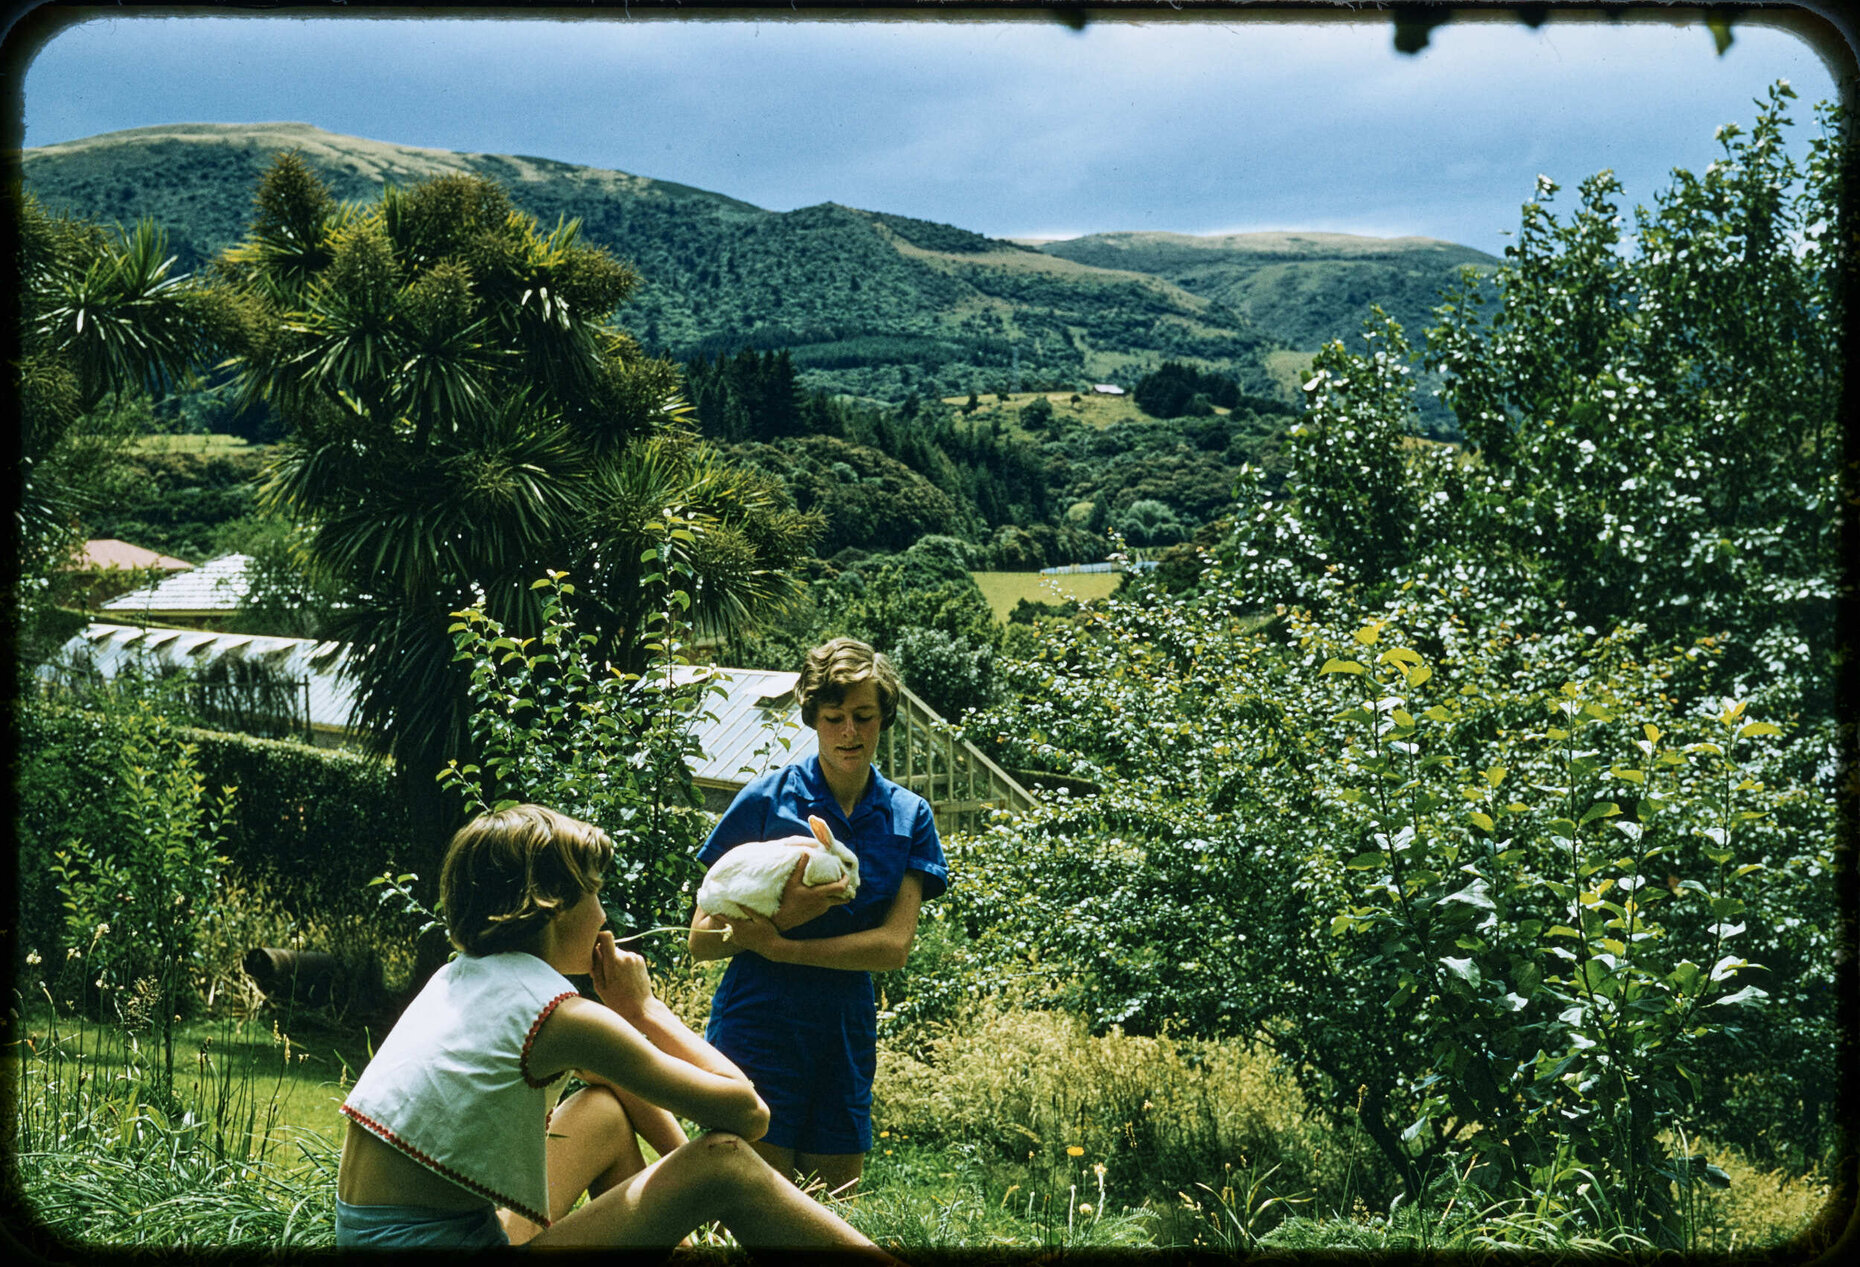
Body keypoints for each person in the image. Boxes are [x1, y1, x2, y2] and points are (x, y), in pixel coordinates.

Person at [335, 803, 898, 1256]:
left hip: (404, 1236)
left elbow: (618, 1083)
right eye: (594, 892)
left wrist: (686, 1197)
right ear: (552, 906)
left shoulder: (463, 978)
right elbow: (749, 1114)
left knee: (603, 1110)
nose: (604, 914)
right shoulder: (563, 1018)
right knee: (724, 1160)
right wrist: (644, 1009)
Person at [688, 638, 948, 1196]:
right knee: (750, 1204)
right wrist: (785, 916)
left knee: (833, 1209)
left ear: (884, 718)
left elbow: (893, 947)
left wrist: (781, 946)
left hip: (843, 1030)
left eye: (864, 716)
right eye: (834, 718)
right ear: (812, 718)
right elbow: (701, 939)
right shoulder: (768, 799)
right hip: (759, 1020)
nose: (849, 733)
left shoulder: (908, 816)